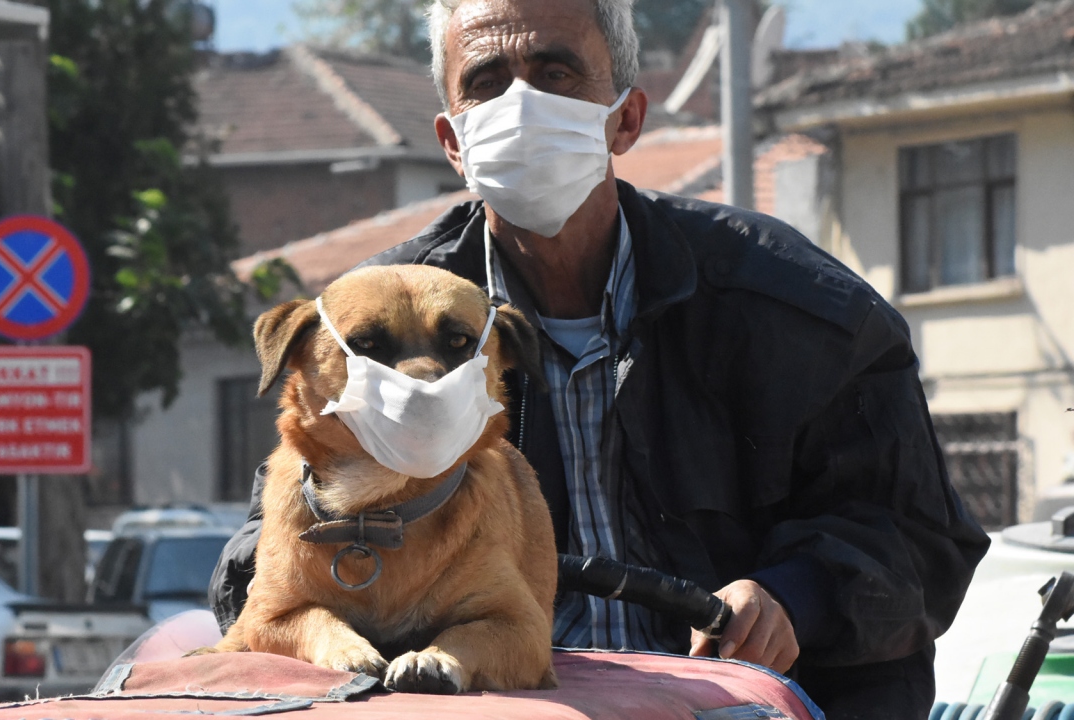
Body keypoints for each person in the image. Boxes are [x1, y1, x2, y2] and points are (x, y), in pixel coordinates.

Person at [210, 0, 991, 716]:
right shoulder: (369, 326)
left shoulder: (798, 311)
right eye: (487, 80)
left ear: (626, 117)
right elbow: (260, 555)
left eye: (556, 72)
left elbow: (924, 540)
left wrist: (796, 595)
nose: (523, 103)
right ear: (451, 140)